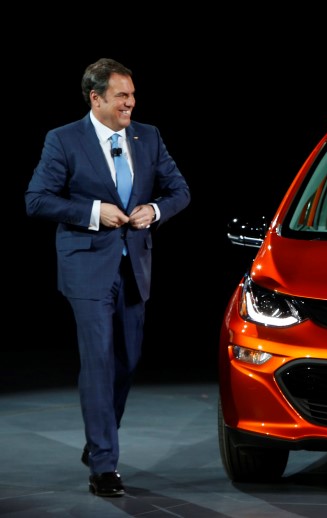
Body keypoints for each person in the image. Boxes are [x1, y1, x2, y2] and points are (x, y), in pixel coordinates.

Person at [25, 58, 190, 497]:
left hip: (134, 267)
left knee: (127, 361)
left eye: (132, 95)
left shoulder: (147, 136)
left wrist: (153, 211)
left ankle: (100, 438)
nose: (130, 103)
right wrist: (94, 213)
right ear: (95, 98)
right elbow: (37, 200)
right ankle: (104, 464)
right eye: (121, 95)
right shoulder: (63, 140)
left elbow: (180, 191)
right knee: (98, 362)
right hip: (87, 268)